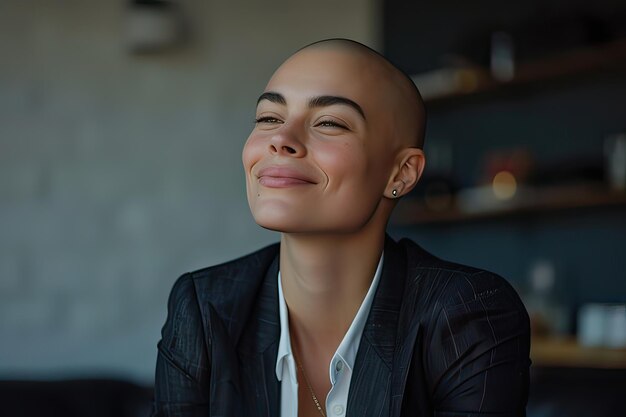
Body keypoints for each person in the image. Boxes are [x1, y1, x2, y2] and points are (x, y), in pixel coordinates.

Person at [151, 39, 531, 417]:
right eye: (269, 118)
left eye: (329, 123)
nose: (281, 139)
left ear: (401, 172)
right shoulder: (204, 307)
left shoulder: (467, 314)